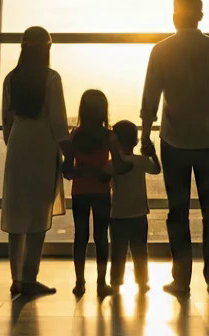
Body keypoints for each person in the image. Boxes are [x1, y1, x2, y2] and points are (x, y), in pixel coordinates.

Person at [141, 0, 209, 296]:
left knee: (177, 212)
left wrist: (145, 136)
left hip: (173, 142)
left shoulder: (161, 50)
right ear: (201, 16)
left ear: (174, 17)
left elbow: (150, 98)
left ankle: (181, 280)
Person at [1, 26, 72, 297]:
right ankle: (30, 278)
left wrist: (15, 144)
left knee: (17, 212)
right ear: (47, 48)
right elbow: (58, 122)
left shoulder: (12, 78)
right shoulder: (51, 78)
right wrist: (69, 155)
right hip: (43, 145)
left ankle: (16, 278)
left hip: (18, 144)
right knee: (37, 214)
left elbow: (6, 122)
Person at [66, 89, 122, 298]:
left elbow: (67, 168)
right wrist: (103, 171)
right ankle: (101, 282)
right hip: (101, 191)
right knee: (101, 237)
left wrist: (82, 171)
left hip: (80, 191)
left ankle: (80, 282)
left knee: (80, 237)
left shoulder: (75, 135)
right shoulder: (109, 136)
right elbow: (117, 163)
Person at [109, 120, 160, 292]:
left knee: (117, 251)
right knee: (140, 251)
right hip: (139, 214)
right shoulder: (141, 161)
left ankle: (116, 281)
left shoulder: (112, 164)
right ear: (136, 141)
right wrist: (153, 154)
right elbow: (157, 169)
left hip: (116, 214)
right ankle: (142, 281)